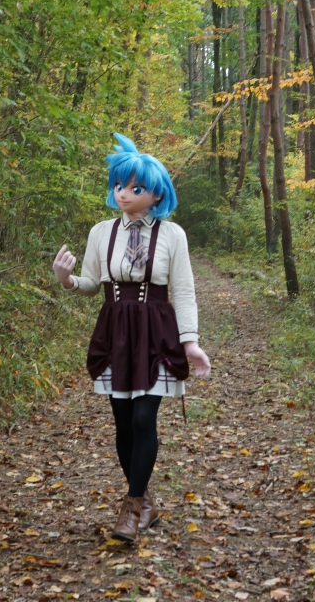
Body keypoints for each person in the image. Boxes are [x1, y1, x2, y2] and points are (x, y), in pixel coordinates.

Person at [52, 133, 211, 542]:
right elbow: (92, 284)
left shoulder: (173, 235)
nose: (123, 193)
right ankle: (145, 504)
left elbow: (184, 291)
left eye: (135, 188)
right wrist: (67, 279)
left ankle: (132, 506)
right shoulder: (101, 232)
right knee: (123, 424)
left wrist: (190, 342)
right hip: (116, 333)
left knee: (144, 418)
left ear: (157, 194)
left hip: (157, 333)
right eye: (119, 185)